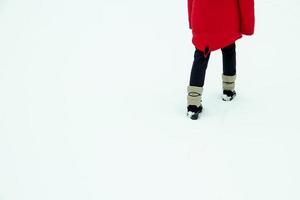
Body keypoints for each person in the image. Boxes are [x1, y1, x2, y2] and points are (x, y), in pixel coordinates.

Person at [186, 0, 255, 120]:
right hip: (227, 18)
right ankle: (228, 90)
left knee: (201, 56)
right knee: (229, 47)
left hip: (202, 16)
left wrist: (192, 19)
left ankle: (193, 102)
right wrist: (247, 26)